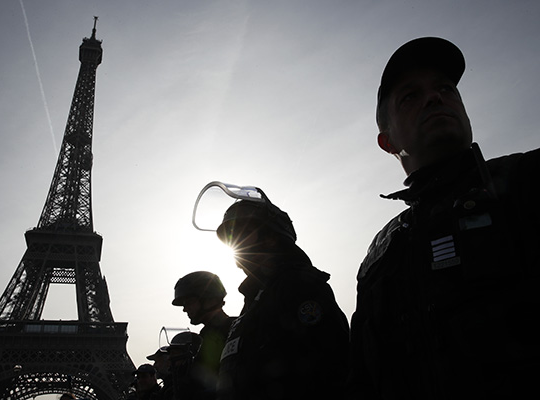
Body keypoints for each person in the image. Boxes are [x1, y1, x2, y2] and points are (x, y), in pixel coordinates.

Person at [348, 37, 540, 399]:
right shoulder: (379, 253)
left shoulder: (526, 179)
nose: (435, 97)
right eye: (410, 96)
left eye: (445, 88)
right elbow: (362, 376)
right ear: (387, 142)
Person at [212, 188, 350, 399]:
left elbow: (330, 368)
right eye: (232, 237)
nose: (235, 243)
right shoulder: (254, 299)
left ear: (271, 239)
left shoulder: (299, 287)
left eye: (243, 233)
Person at [172, 271, 235, 390]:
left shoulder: (230, 332)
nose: (185, 309)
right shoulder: (208, 337)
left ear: (209, 299)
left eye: (189, 302)